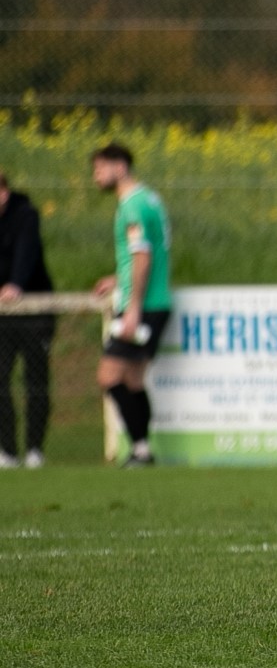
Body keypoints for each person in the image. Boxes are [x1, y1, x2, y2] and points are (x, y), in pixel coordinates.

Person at [89, 144, 170, 468]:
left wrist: (133, 305)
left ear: (119, 167)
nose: (95, 176)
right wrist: (118, 278)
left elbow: (142, 255)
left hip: (143, 304)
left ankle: (140, 449)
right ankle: (143, 450)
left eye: (99, 169)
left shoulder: (132, 206)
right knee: (133, 380)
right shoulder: (150, 198)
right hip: (156, 300)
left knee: (108, 376)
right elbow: (147, 255)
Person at [0, 172, 55, 469]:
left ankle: (35, 449)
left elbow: (26, 252)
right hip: (3, 316)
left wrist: (16, 284)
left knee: (36, 381)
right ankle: (7, 451)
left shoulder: (26, 215)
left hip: (34, 311)